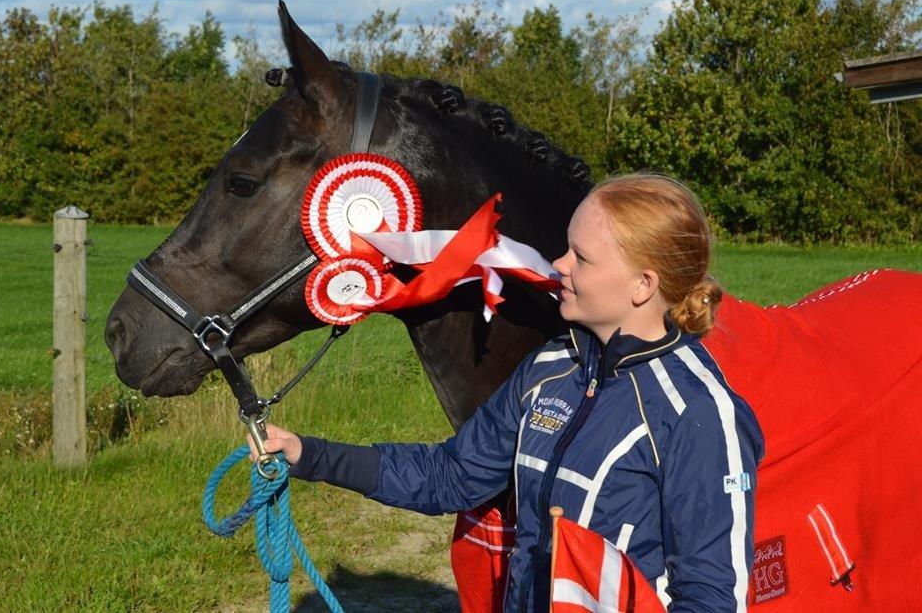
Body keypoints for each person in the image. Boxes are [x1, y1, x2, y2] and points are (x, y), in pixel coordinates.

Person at [249, 174, 765, 612]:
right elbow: (450, 477)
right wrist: (307, 455)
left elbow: (710, 596)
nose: (559, 264)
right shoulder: (550, 367)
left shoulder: (698, 413)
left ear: (642, 285)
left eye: (581, 257)